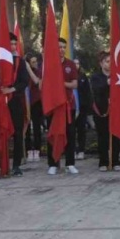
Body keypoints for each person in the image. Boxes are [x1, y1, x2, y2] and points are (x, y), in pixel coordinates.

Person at [0, 33, 31, 177]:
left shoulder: (20, 62)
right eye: (10, 43)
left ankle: (16, 165)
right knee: (1, 133)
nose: (13, 47)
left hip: (15, 102)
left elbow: (24, 82)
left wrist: (12, 89)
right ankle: (3, 165)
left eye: (15, 44)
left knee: (17, 133)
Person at [48, 38, 81, 175]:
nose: (61, 50)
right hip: (53, 106)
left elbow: (74, 84)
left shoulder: (70, 64)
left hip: (68, 106)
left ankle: (70, 163)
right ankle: (53, 164)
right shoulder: (49, 64)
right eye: (59, 47)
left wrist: (61, 84)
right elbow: (45, 84)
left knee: (70, 134)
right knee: (53, 134)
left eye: (63, 47)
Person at [90, 51, 120, 172]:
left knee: (115, 136)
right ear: (101, 63)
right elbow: (96, 89)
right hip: (101, 110)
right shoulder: (96, 76)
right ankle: (103, 161)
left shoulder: (117, 75)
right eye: (107, 62)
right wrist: (106, 83)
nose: (110, 64)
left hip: (115, 110)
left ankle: (115, 161)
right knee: (102, 136)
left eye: (111, 61)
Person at [25, 53, 45, 162]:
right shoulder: (25, 73)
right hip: (27, 102)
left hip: (37, 102)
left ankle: (37, 149)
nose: (35, 63)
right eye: (33, 62)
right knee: (27, 127)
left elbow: (39, 83)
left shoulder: (39, 72)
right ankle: (28, 150)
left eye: (36, 61)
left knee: (37, 127)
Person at [75, 58, 93, 161]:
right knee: (71, 130)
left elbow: (87, 92)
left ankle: (81, 150)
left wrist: (88, 106)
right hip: (71, 107)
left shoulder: (83, 77)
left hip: (82, 107)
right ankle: (73, 150)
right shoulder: (68, 76)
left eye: (78, 63)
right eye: (74, 63)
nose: (76, 65)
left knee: (81, 129)